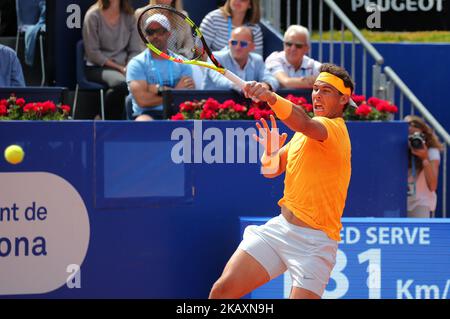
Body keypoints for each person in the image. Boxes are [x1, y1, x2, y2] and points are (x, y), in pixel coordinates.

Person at [209, 63, 356, 299]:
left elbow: (304, 122)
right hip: (280, 230)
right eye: (316, 89)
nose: (317, 95)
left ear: (343, 100)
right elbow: (271, 171)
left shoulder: (333, 129)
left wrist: (269, 96)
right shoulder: (303, 136)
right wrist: (269, 153)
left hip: (315, 244)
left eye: (326, 90)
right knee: (222, 292)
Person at [126, 13, 194, 120]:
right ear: (146, 36)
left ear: (168, 34)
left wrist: (157, 90)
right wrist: (175, 92)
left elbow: (188, 96)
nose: (155, 36)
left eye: (160, 31)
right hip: (148, 114)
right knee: (143, 122)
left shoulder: (182, 62)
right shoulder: (136, 63)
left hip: (178, 113)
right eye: (150, 32)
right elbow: (143, 101)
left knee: (195, 123)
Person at [82, 0, 141, 119]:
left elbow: (135, 49)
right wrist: (120, 68)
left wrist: (129, 66)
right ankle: (105, 119)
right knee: (123, 84)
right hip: (97, 67)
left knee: (141, 82)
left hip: (125, 67)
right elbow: (92, 52)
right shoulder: (93, 15)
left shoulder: (130, 16)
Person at [202, 26, 278, 91]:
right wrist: (244, 86)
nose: (238, 47)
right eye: (234, 43)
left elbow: (272, 80)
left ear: (252, 47)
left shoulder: (257, 59)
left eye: (243, 44)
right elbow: (219, 80)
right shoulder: (215, 57)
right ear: (229, 43)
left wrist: (264, 86)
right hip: (210, 105)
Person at [405, 115, 443, 218]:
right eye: (409, 137)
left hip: (421, 202)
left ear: (424, 136)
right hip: (398, 200)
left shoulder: (431, 152)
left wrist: (424, 158)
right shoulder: (397, 151)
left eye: (415, 137)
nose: (413, 141)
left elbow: (432, 186)